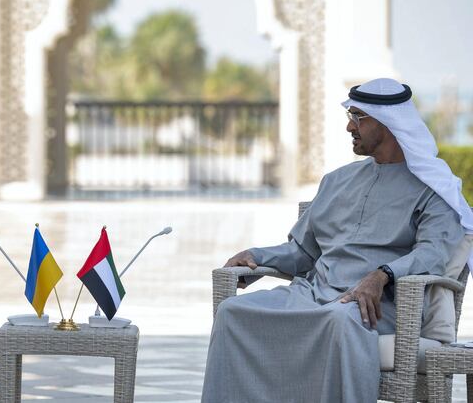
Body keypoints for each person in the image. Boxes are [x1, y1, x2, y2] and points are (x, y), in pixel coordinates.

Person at [201, 78, 473, 403]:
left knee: (339, 320)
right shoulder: (336, 182)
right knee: (233, 311)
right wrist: (256, 256)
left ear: (386, 122)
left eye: (358, 117)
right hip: (312, 294)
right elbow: (302, 253)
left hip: (374, 308)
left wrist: (381, 274)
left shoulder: (434, 190)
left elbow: (433, 254)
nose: (349, 127)